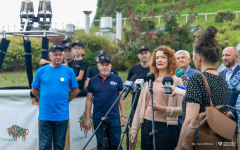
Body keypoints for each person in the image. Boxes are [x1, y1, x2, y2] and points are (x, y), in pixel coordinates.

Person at [176, 26, 228, 149]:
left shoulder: (197, 79)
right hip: (218, 141)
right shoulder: (222, 80)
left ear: (198, 57)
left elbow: (189, 120)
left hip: (200, 141)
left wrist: (179, 146)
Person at [130, 45, 183, 150]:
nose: (159, 60)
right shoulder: (150, 78)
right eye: (157, 58)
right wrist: (134, 130)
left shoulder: (177, 80)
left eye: (163, 57)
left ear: (170, 60)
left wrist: (163, 109)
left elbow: (182, 110)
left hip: (166, 128)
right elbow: (140, 106)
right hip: (146, 125)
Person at [31, 44, 79, 150]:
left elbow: (75, 90)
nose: (58, 57)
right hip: (45, 115)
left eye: (60, 55)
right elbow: (34, 90)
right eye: (55, 54)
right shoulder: (41, 71)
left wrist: (66, 100)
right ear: (50, 56)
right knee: (45, 146)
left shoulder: (69, 71)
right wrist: (44, 99)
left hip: (61, 115)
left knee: (59, 146)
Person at [85, 55, 126, 150]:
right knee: (101, 144)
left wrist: (123, 116)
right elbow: (89, 100)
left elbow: (121, 98)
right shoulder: (92, 81)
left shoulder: (117, 79)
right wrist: (87, 118)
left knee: (116, 143)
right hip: (98, 117)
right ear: (98, 66)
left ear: (110, 67)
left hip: (114, 117)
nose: (104, 67)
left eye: (107, 65)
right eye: (102, 65)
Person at [127, 45, 150, 150]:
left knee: (148, 133)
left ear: (149, 54)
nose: (144, 55)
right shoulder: (134, 69)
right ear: (138, 55)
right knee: (133, 132)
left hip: (149, 106)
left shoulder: (153, 68)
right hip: (135, 105)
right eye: (141, 53)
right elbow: (129, 85)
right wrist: (138, 95)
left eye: (145, 53)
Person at [175, 50, 200, 140]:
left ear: (189, 59)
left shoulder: (198, 74)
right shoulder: (171, 75)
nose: (180, 60)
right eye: (178, 58)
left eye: (183, 57)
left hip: (191, 115)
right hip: (174, 115)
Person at [219, 47, 240, 121]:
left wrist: (231, 113)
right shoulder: (219, 75)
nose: (224, 58)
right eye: (223, 55)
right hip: (219, 118)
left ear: (236, 57)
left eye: (228, 55)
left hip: (236, 118)